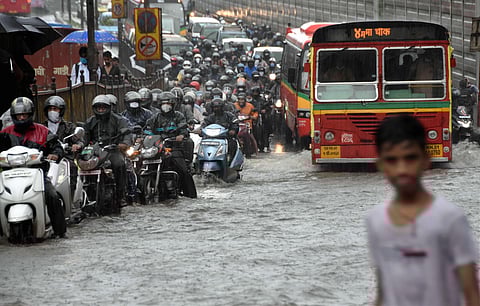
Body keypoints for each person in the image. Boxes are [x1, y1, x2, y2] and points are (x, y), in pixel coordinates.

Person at [367, 115, 479, 306]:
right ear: (381, 165)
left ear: (426, 160)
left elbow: (471, 292)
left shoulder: (450, 219)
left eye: (410, 158)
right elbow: (384, 290)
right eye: (392, 160)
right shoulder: (375, 221)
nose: (402, 169)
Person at [0, 97, 67, 238]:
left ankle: (60, 232)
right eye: (19, 115)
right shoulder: (6, 133)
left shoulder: (43, 131)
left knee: (53, 196)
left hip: (38, 175)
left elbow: (57, 147)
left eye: (25, 114)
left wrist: (55, 154)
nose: (22, 117)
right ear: (14, 116)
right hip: (9, 174)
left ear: (31, 114)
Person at [83, 95, 132, 213]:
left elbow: (126, 134)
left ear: (109, 108)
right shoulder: (90, 121)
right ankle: (83, 195)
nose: (101, 110)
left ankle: (121, 195)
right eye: (98, 108)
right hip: (95, 151)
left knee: (119, 164)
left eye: (103, 108)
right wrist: (79, 146)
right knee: (81, 165)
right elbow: (84, 137)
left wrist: (123, 144)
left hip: (112, 150)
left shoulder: (119, 120)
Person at [145, 92, 197, 198]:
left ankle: (190, 194)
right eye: (163, 103)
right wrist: (143, 137)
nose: (166, 106)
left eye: (168, 103)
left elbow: (184, 128)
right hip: (158, 148)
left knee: (183, 170)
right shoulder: (155, 118)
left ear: (173, 104)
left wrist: (181, 135)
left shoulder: (178, 116)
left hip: (174, 147)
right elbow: (148, 129)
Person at [234, 93, 258, 157]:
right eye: (239, 99)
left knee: (251, 136)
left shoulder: (250, 106)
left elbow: (255, 113)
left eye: (242, 99)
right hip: (237, 123)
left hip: (247, 124)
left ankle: (254, 151)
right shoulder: (234, 105)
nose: (241, 101)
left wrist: (253, 117)